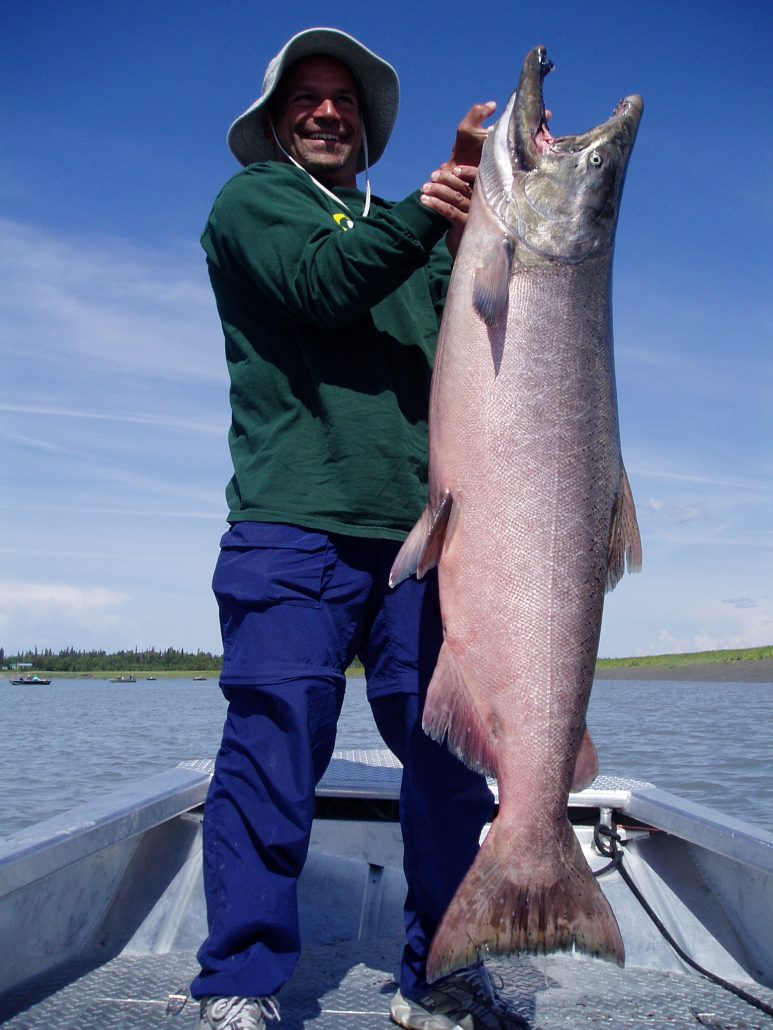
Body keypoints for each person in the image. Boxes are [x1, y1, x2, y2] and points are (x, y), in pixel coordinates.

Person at [192, 27, 526, 1030]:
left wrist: (506, 194)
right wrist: (435, 205)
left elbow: (481, 330)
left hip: (421, 540)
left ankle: (439, 971)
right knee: (272, 747)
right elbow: (325, 287)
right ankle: (240, 980)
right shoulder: (254, 203)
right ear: (277, 117)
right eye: (308, 97)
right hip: (291, 530)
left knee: (445, 759)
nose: (328, 110)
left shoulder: (408, 228)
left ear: (367, 122)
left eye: (344, 98)